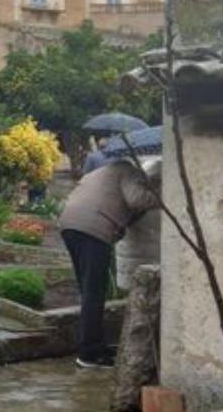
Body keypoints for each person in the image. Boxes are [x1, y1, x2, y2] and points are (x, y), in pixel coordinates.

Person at [57, 157, 161, 368]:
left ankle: (93, 345)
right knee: (95, 292)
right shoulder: (127, 171)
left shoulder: (99, 172)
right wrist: (161, 194)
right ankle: (89, 354)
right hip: (93, 228)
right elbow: (137, 200)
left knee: (87, 291)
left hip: (69, 225)